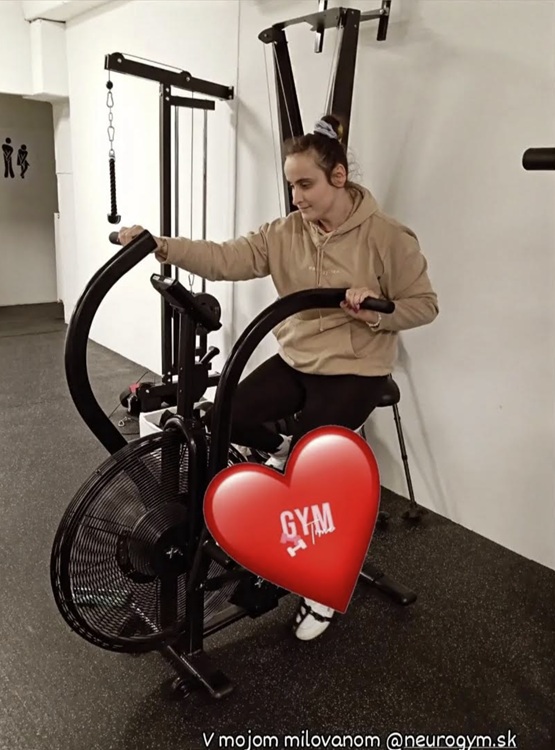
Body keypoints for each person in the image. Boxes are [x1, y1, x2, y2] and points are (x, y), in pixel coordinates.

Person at [118, 113, 439, 642]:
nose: (296, 197)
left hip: (356, 367)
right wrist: (161, 245)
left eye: (305, 184)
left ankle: (321, 585)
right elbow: (225, 258)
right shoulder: (284, 233)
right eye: (291, 186)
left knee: (313, 467)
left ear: (338, 177)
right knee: (225, 416)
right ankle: (280, 462)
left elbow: (424, 305)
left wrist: (376, 311)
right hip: (298, 359)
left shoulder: (388, 237)